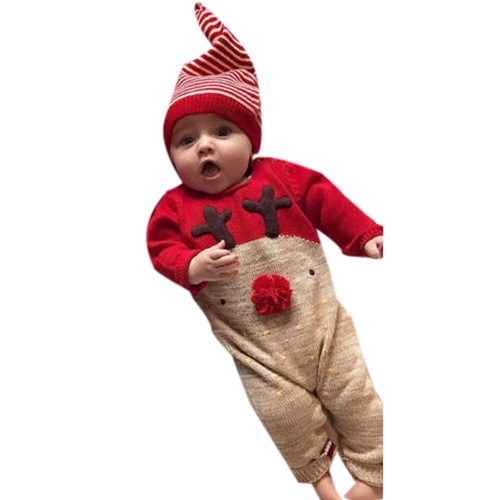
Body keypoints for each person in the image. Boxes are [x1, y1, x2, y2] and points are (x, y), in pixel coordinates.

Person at [147, 4, 383, 499]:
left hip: (321, 326)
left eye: (222, 132)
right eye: (186, 140)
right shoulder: (174, 207)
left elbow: (325, 199)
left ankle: (374, 475)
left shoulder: (281, 176)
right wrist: (191, 264)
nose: (204, 146)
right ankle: (324, 486)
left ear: (251, 138)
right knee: (282, 414)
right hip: (257, 350)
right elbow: (161, 248)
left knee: (355, 394)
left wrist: (363, 234)